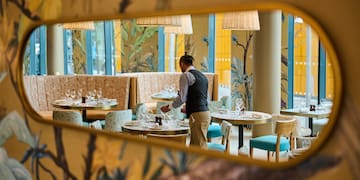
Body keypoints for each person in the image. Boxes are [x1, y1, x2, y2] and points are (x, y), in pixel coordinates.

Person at [160, 53, 210, 148]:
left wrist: (169, 107)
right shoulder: (203, 76)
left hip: (197, 115)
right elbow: (207, 99)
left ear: (182, 64)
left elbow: (182, 98)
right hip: (206, 114)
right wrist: (189, 108)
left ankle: (204, 163)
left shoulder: (186, 75)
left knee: (199, 147)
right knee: (196, 145)